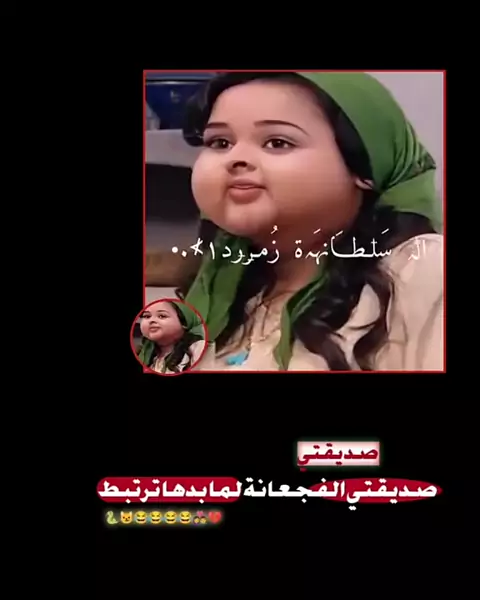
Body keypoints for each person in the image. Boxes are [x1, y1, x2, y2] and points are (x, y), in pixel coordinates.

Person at [177, 71, 444, 372]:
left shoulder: (421, 270)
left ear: (365, 168)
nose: (236, 158)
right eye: (220, 142)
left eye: (277, 142)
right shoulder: (221, 284)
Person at [136, 300, 206, 374]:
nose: (152, 320)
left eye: (162, 316)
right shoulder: (146, 354)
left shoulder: (199, 348)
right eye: (147, 316)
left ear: (184, 323)